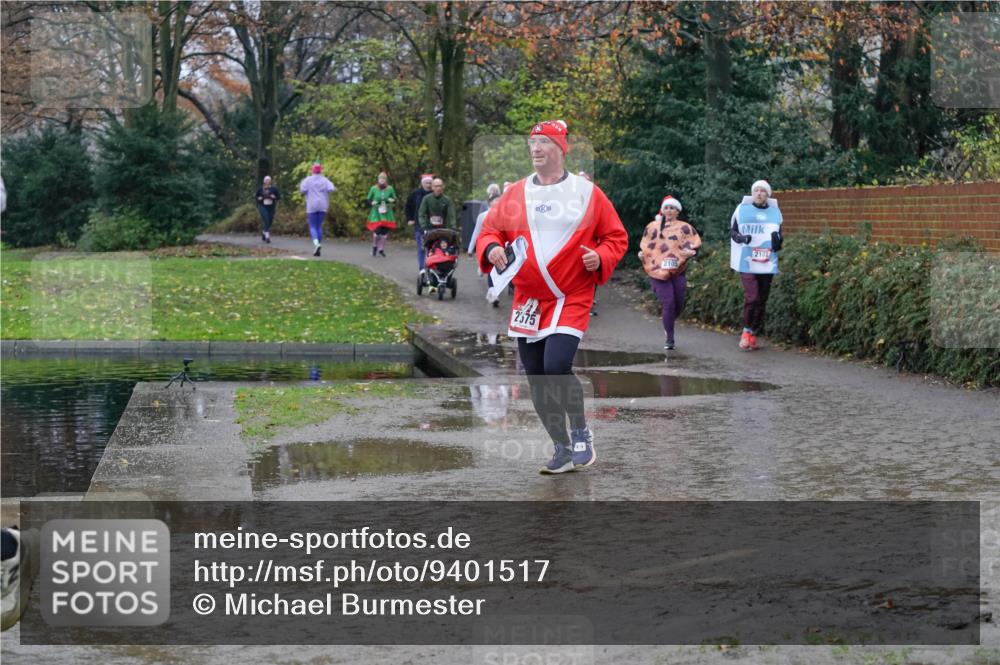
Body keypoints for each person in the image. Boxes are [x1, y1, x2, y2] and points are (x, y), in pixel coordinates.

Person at [476, 119, 628, 474]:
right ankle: (561, 449)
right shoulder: (516, 193)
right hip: (529, 300)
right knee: (536, 377)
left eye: (544, 142)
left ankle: (581, 433)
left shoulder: (586, 192)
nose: (536, 148)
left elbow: (616, 237)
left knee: (556, 366)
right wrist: (492, 248)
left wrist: (600, 257)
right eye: (532, 142)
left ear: (562, 149)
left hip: (570, 294)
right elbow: (489, 231)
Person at [638, 195, 702, 350]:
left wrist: (691, 252)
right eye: (666, 208)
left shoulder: (685, 227)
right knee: (669, 302)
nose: (669, 210)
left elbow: (693, 244)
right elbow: (646, 244)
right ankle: (670, 338)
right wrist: (642, 254)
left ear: (677, 211)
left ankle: (669, 322)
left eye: (672, 208)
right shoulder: (653, 227)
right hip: (657, 272)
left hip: (677, 270)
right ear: (662, 210)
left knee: (678, 304)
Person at [730, 179, 783, 350]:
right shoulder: (742, 209)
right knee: (752, 296)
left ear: (768, 195)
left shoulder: (775, 212)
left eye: (763, 191)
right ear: (752, 193)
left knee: (762, 299)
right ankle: (746, 331)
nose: (759, 193)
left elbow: (779, 238)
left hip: (767, 262)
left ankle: (753, 332)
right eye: (756, 190)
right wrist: (741, 238)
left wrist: (777, 242)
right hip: (747, 260)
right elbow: (733, 231)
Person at [467, 183, 503, 306]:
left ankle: (498, 289)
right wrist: (470, 249)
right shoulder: (483, 216)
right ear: (490, 203)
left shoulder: (507, 216)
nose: (497, 203)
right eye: (495, 201)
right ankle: (493, 293)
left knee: (500, 269)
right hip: (489, 245)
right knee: (493, 268)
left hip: (502, 246)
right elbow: (476, 232)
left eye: (500, 201)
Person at [299, 163, 336, 257]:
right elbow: (332, 189)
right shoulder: (325, 180)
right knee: (319, 226)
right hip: (323, 204)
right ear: (321, 170)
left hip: (312, 205)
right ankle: (318, 245)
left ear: (312, 170)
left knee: (312, 226)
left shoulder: (307, 180)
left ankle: (316, 244)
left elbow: (302, 190)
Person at [405, 174, 434, 276]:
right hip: (418, 224)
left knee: (432, 247)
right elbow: (408, 206)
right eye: (426, 183)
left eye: (430, 183)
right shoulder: (415, 194)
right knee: (421, 247)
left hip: (432, 224)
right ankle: (422, 268)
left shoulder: (435, 194)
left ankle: (431, 266)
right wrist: (410, 219)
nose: (428, 185)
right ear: (422, 183)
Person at [366, 171, 397, 257]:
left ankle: (381, 249)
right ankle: (374, 247)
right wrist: (372, 202)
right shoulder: (373, 188)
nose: (382, 180)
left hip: (387, 212)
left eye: (383, 179)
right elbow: (368, 199)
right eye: (380, 179)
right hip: (376, 212)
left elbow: (395, 199)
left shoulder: (390, 188)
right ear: (378, 180)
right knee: (377, 231)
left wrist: (392, 200)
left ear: (386, 180)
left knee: (384, 232)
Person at [255, 175, 280, 244]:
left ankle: (264, 232)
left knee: (270, 221)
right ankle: (267, 237)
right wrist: (259, 198)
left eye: (268, 180)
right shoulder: (260, 189)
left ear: (270, 181)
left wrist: (274, 197)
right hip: (262, 206)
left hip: (271, 207)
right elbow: (256, 197)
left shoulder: (274, 189)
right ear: (264, 181)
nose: (267, 181)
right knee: (266, 219)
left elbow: (278, 197)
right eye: (266, 180)